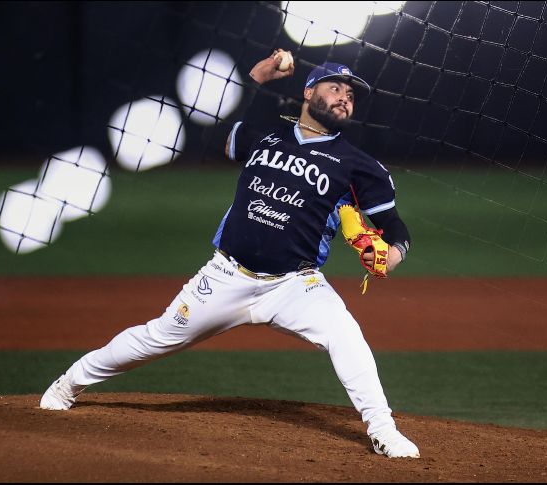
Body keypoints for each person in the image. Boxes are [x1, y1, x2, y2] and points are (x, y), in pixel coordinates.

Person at [40, 50, 419, 459]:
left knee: (346, 335)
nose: (345, 97)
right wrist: (259, 76)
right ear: (309, 93)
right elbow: (221, 133)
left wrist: (393, 254)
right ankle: (69, 383)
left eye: (351, 94)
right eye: (336, 88)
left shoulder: (360, 166)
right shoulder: (267, 134)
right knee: (157, 338)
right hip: (225, 276)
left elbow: (394, 227)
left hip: (295, 284)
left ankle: (383, 430)